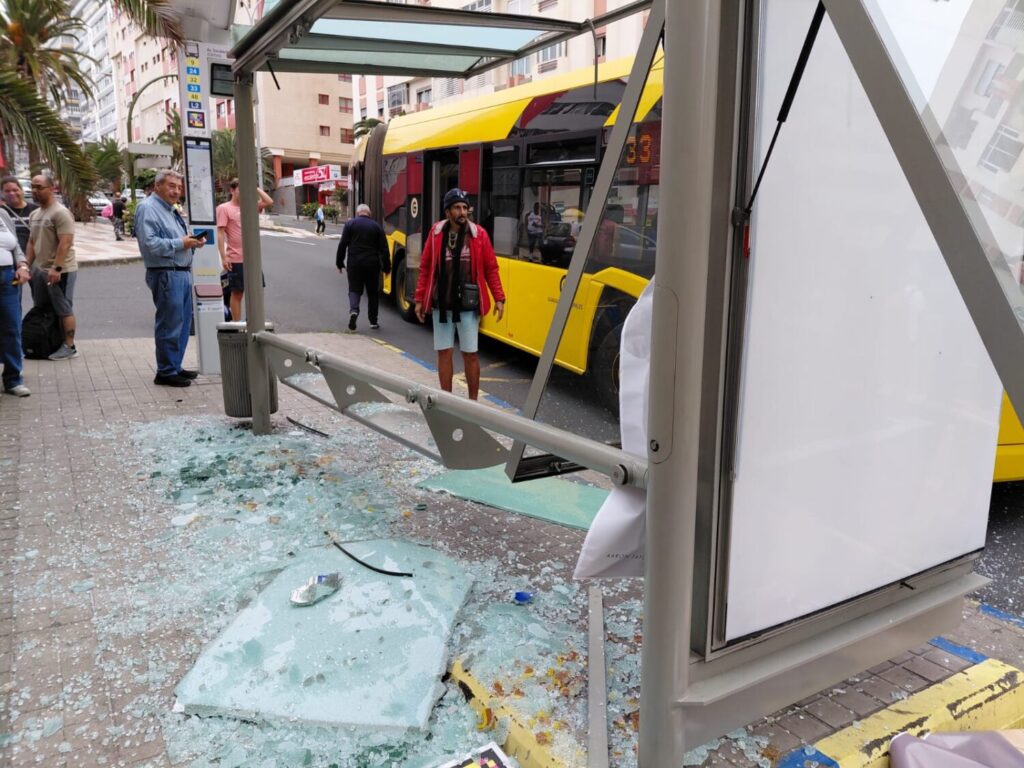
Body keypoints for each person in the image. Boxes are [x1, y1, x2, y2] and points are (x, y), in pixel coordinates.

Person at [414, 188, 505, 400]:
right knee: (444, 352)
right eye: (457, 207)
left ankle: (472, 403)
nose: (462, 212)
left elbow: (491, 268)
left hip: (468, 306)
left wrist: (499, 297)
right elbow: (425, 267)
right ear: (447, 211)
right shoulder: (436, 233)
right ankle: (447, 401)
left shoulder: (478, 234)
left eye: (465, 207)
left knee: (470, 354)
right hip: (442, 305)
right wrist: (419, 299)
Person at [133, 169, 208, 387]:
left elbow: (175, 240)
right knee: (170, 324)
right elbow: (149, 244)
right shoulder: (148, 208)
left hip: (180, 272)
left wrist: (191, 243)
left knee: (182, 324)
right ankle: (165, 371)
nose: (176, 191)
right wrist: (181, 244)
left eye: (179, 187)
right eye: (171, 186)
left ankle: (174, 365)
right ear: (158, 186)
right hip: (166, 273)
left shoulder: (169, 209)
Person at [25, 174, 79, 361]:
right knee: (43, 308)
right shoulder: (35, 214)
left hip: (61, 270)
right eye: (33, 187)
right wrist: (26, 264)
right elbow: (32, 242)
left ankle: (69, 346)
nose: (34, 191)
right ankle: (51, 341)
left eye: (39, 187)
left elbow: (65, 243)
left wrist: (56, 268)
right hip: (40, 269)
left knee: (64, 308)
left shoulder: (60, 213)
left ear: (51, 188)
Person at [217, 178, 273, 322]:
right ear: (232, 190)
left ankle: (253, 323)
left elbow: (268, 202)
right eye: (240, 189)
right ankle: (236, 325)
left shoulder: (250, 206)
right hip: (235, 258)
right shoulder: (224, 208)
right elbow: (220, 234)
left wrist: (253, 187)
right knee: (237, 293)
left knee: (256, 291)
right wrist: (224, 257)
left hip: (252, 258)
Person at [336, 203, 390, 332]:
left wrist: (339, 263)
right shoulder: (376, 226)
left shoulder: (350, 224)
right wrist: (387, 268)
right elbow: (384, 249)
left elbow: (342, 244)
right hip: (372, 264)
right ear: (369, 214)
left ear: (357, 212)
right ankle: (373, 321)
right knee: (372, 293)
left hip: (354, 263)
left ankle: (354, 311)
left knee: (354, 289)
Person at [0, 208, 31, 396]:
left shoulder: (2, 214)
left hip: (7, 278)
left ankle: (13, 379)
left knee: (12, 327)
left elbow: (16, 246)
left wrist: (22, 265)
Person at [1, 175, 39, 254]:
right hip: (10, 259)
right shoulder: (2, 212)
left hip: (34, 256)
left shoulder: (36, 210)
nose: (11, 193)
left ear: (21, 190)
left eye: (15, 190)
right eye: (7, 191)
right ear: (2, 193)